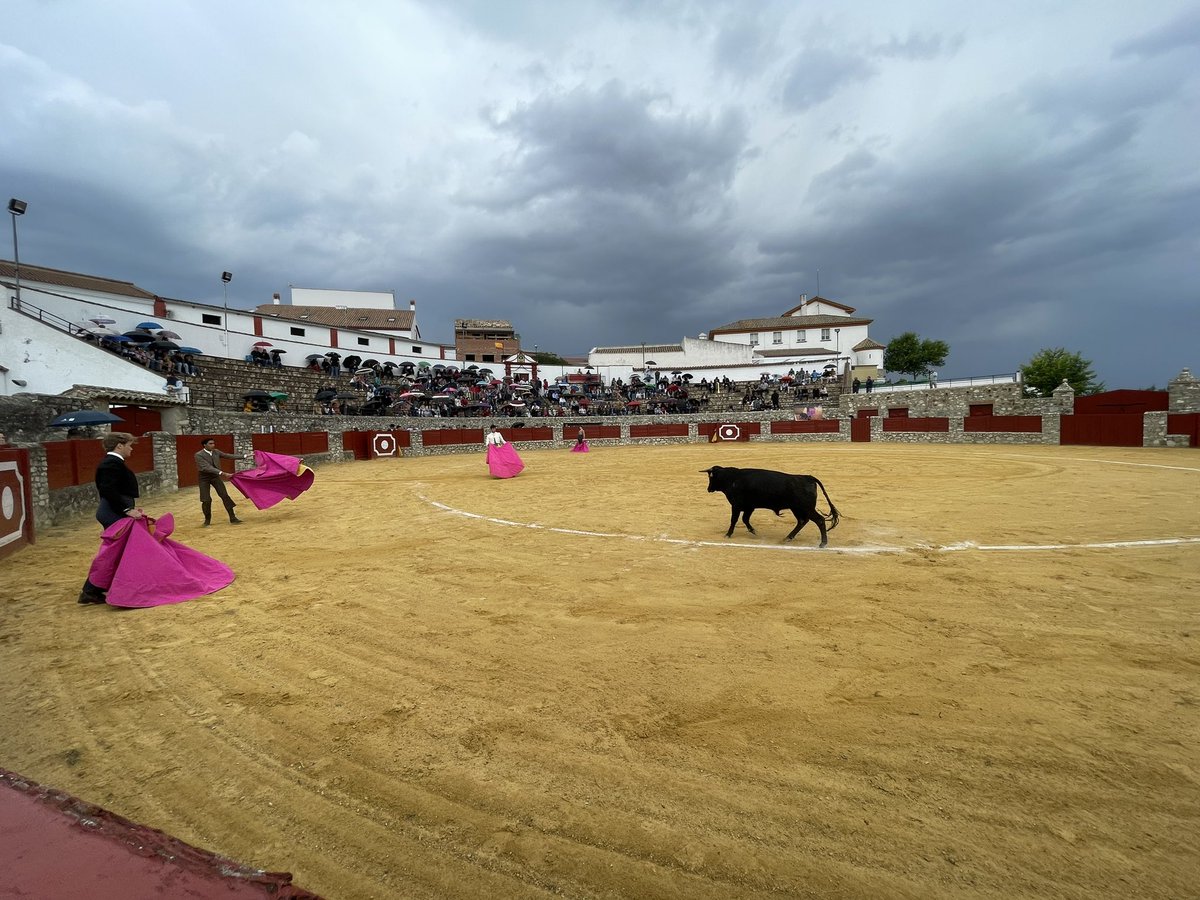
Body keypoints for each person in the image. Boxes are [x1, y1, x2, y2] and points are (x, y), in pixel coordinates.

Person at [79, 431, 148, 604]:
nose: (131, 449)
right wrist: (126, 509)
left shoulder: (113, 462)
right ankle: (90, 590)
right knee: (112, 552)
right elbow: (107, 490)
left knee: (118, 551)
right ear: (119, 445)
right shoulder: (111, 463)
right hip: (113, 511)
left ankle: (105, 586)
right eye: (129, 445)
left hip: (113, 509)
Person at [195, 437, 247, 526]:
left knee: (224, 495)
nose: (213, 445)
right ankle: (207, 520)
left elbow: (228, 455)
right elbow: (206, 467)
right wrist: (222, 473)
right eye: (210, 444)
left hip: (215, 476)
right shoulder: (198, 455)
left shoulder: (216, 452)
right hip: (204, 478)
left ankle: (233, 517)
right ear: (205, 445)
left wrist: (244, 456)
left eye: (213, 443)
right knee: (206, 499)